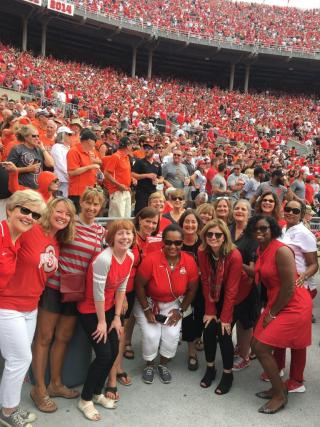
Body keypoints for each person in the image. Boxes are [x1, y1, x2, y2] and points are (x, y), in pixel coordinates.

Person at [0, 197, 75, 427]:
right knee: (20, 358)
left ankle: (9, 408)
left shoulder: (57, 240)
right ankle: (8, 412)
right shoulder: (29, 230)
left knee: (18, 360)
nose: (62, 216)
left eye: (68, 214)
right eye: (59, 211)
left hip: (31, 306)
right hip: (8, 303)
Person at [30, 188, 105, 413]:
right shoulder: (69, 224)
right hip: (54, 287)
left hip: (76, 292)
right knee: (44, 338)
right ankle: (39, 388)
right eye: (88, 203)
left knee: (62, 338)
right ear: (80, 202)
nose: (92, 208)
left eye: (96, 204)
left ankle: (55, 384)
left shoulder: (101, 231)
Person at [246, 215, 312, 414]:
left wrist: (272, 314)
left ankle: (280, 395)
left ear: (273, 229)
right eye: (256, 228)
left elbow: (290, 287)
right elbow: (258, 273)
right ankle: (279, 387)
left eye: (264, 228)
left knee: (263, 347)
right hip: (278, 301)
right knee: (255, 345)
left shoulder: (281, 250)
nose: (260, 232)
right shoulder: (261, 249)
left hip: (292, 304)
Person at [77, 220, 135, 422]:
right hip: (90, 310)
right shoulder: (104, 259)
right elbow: (97, 294)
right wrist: (102, 322)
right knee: (103, 355)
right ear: (111, 237)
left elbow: (121, 288)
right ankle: (85, 399)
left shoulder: (129, 256)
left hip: (110, 309)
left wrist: (117, 318)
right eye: (120, 234)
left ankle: (96, 393)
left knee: (112, 354)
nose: (125, 237)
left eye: (128, 233)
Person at [134, 224, 198, 384]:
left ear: (183, 243)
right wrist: (147, 310)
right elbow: (139, 285)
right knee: (152, 335)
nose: (173, 246)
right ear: (163, 241)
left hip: (173, 305)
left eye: (177, 243)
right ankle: (149, 364)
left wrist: (181, 311)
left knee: (171, 336)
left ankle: (163, 364)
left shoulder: (189, 261)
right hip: (149, 303)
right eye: (168, 242)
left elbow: (192, 289)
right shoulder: (151, 259)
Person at [107, 207, 159, 400]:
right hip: (121, 291)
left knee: (122, 333)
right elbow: (117, 265)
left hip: (136, 291)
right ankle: (111, 377)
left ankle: (117, 367)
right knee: (117, 334)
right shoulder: (128, 237)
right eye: (147, 221)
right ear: (140, 220)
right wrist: (117, 295)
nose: (150, 226)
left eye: (154, 223)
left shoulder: (150, 241)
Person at [275, 200, 318, 392]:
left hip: (298, 289)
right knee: (279, 329)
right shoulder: (284, 229)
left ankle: (297, 380)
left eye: (295, 210)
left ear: (301, 214)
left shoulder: (305, 234)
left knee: (298, 336)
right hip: (280, 287)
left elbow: (313, 264)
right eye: (288, 209)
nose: (290, 212)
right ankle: (278, 368)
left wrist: (303, 276)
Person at [198, 219, 242, 394]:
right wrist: (210, 310)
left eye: (218, 234)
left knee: (224, 334)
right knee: (208, 329)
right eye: (210, 234)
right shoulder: (202, 252)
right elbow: (206, 282)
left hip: (234, 295)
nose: (213, 237)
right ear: (205, 236)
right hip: (212, 293)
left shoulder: (234, 255)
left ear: (224, 237)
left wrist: (224, 318)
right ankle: (210, 368)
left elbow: (232, 290)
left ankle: (227, 373)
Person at [229, 199, 259, 371]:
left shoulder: (253, 234)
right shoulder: (229, 228)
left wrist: (235, 259)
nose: (239, 211)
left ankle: (244, 356)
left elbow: (254, 270)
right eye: (237, 208)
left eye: (243, 209)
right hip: (229, 284)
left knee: (245, 322)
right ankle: (239, 348)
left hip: (247, 286)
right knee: (234, 317)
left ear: (249, 213)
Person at [178, 210, 204, 370]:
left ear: (198, 224)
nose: (189, 225)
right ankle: (191, 351)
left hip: (202, 287)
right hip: (182, 287)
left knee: (200, 315)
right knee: (187, 317)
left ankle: (198, 337)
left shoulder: (204, 243)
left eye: (193, 222)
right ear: (181, 224)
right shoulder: (177, 241)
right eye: (186, 222)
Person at [7, 125, 54, 190]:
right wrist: (27, 169)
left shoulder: (39, 149)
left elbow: (51, 164)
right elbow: (8, 169)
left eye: (38, 136)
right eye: (34, 136)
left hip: (38, 189)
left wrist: (42, 148)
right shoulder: (17, 149)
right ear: (25, 137)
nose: (37, 138)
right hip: (23, 189)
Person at [67, 129, 99, 213]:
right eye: (94, 141)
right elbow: (72, 172)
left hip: (88, 192)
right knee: (77, 221)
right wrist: (89, 167)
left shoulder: (89, 152)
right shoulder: (74, 151)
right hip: (78, 193)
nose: (95, 144)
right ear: (89, 140)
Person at [104, 136, 133, 218]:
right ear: (127, 146)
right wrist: (119, 185)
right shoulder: (116, 156)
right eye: (130, 145)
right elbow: (106, 174)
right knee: (117, 220)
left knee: (126, 219)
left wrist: (130, 181)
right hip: (117, 191)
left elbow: (123, 173)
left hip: (126, 190)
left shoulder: (126, 157)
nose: (131, 147)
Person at [131, 143, 163, 215]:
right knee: (141, 213)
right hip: (142, 192)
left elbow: (161, 177)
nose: (146, 150)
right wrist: (146, 175)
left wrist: (158, 181)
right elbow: (132, 174)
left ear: (153, 151)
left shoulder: (157, 164)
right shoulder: (139, 162)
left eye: (148, 148)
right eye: (145, 149)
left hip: (153, 193)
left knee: (153, 213)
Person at [50, 127, 73, 197]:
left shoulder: (68, 148)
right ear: (63, 135)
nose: (70, 136)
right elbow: (60, 164)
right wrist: (70, 175)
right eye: (68, 134)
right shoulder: (56, 147)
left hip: (67, 180)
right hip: (60, 180)